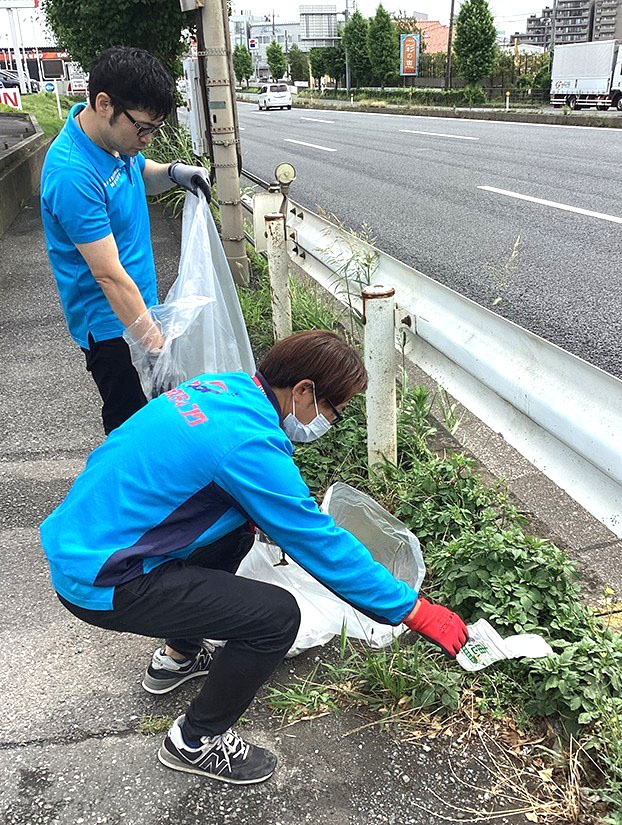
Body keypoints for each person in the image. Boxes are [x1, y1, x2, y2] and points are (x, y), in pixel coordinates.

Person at [40, 330, 468, 785]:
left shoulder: (224, 389)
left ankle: (178, 656)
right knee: (277, 617)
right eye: (332, 412)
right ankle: (194, 741)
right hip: (105, 581)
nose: (328, 423)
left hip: (85, 544)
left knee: (237, 530)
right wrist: (413, 609)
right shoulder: (248, 445)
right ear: (303, 390)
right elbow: (319, 542)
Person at [40, 46, 211, 435]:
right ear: (104, 104)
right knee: (130, 424)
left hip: (141, 308)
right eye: (142, 128)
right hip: (111, 328)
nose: (147, 140)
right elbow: (108, 277)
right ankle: (127, 492)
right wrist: (154, 346)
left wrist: (173, 173)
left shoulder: (115, 142)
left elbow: (141, 171)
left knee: (159, 420)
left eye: (155, 129)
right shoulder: (72, 174)